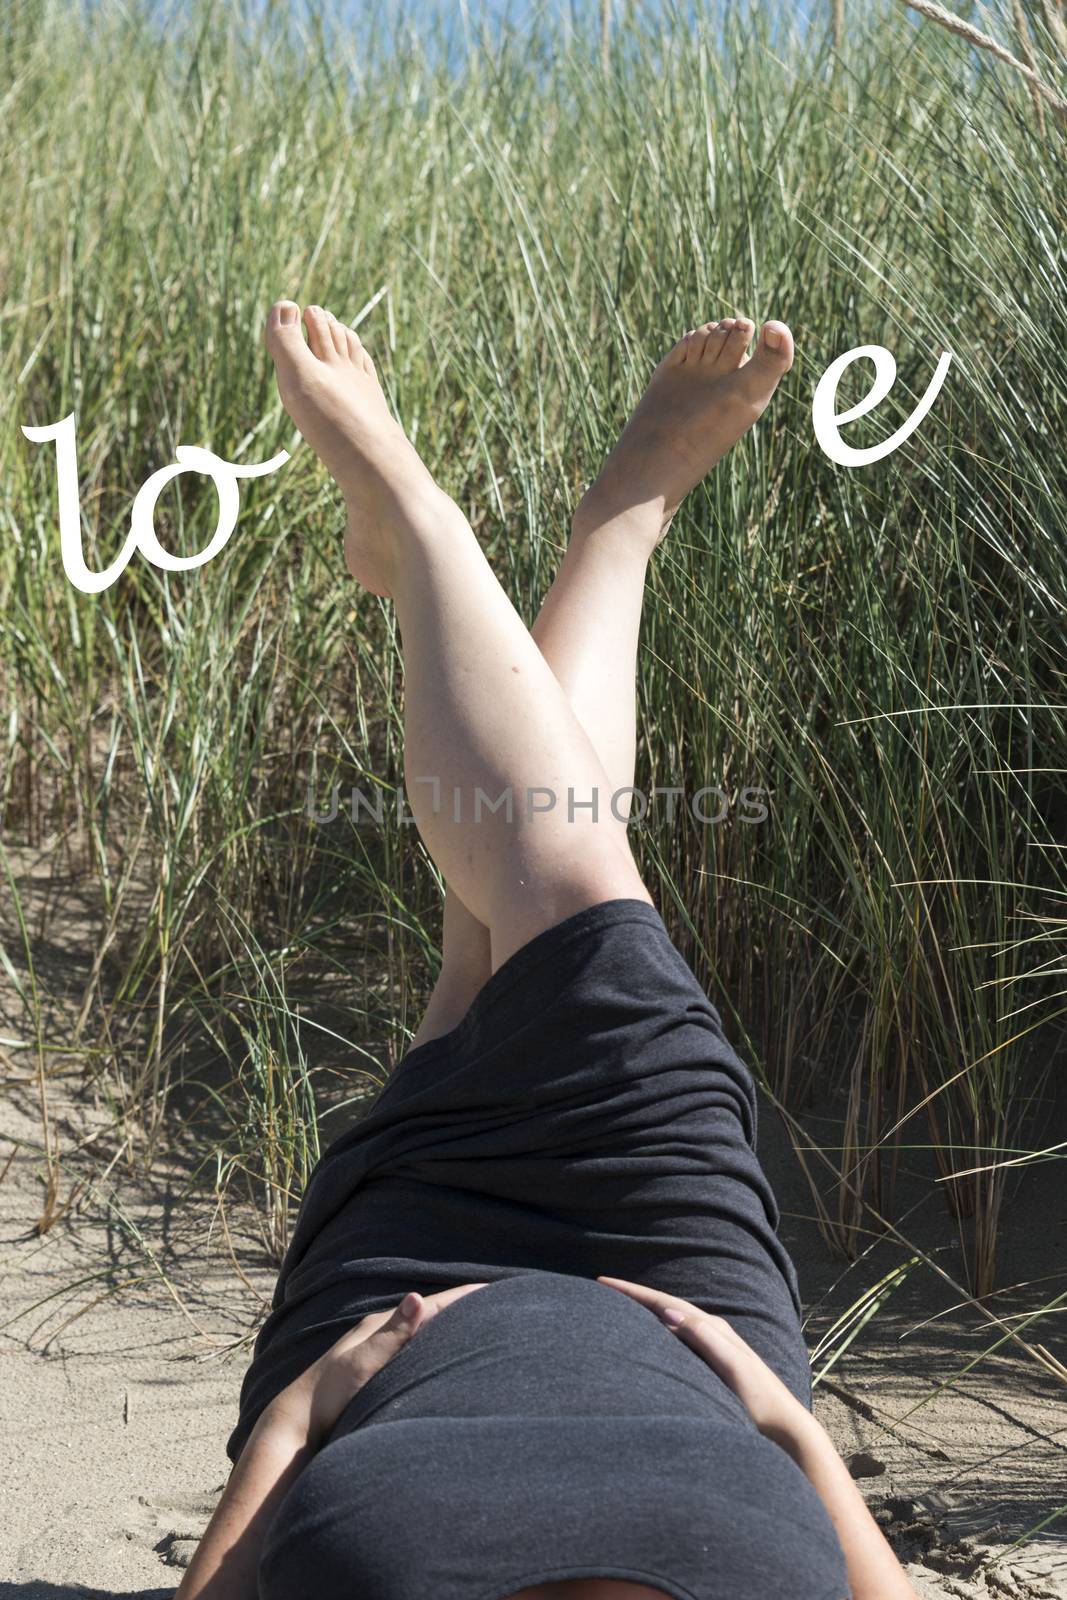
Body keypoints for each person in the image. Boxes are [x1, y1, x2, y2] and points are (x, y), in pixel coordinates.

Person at [174, 300, 919, 1600]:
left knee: (551, 899)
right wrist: (789, 1429)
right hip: (690, 1313)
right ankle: (573, 536)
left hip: (390, 1322)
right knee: (518, 928)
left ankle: (429, 529)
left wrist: (302, 1417)